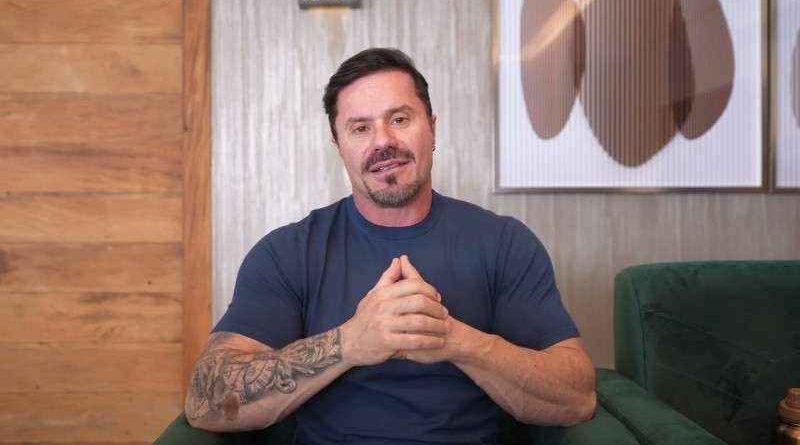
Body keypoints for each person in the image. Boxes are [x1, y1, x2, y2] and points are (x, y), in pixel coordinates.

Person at [185, 47, 596, 443]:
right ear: (339, 146)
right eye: (360, 128)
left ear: (432, 129)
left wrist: (454, 339)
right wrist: (350, 343)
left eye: (399, 119)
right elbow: (205, 403)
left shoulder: (503, 243)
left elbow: (577, 399)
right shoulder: (287, 253)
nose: (382, 141)